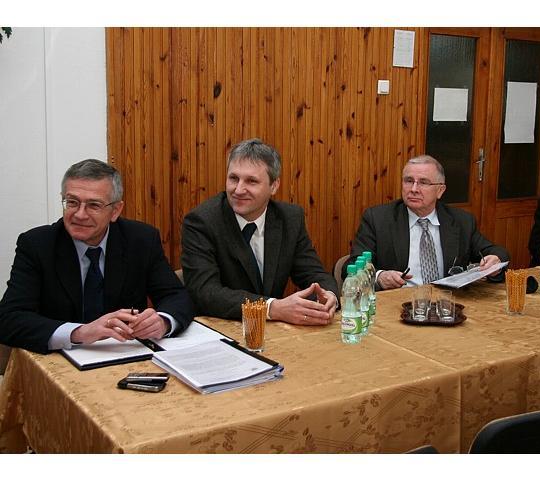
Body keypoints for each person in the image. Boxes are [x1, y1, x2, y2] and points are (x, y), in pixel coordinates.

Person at [0, 159, 193, 354]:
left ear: (115, 210)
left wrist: (163, 321)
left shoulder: (141, 240)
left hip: (126, 354)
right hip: (60, 358)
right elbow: (9, 318)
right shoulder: (37, 245)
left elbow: (175, 295)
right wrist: (78, 332)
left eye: (93, 205)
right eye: (72, 202)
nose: (80, 214)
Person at [181, 138, 338, 325]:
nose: (239, 189)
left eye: (251, 181)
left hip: (273, 331)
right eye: (233, 178)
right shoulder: (202, 222)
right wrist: (272, 308)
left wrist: (328, 295)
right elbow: (206, 293)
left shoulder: (289, 219)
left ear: (274, 186)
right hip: (222, 328)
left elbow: (313, 273)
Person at [346, 155, 509, 290]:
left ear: (440, 190)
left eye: (423, 182)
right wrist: (380, 277)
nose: (414, 189)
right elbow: (353, 265)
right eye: (408, 181)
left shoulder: (461, 221)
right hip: (398, 304)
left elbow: (495, 251)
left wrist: (494, 261)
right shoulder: (378, 219)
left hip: (447, 304)